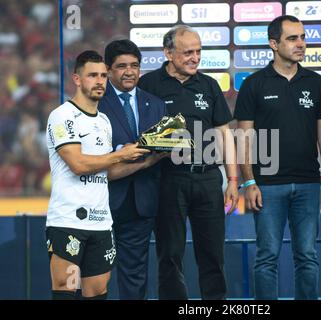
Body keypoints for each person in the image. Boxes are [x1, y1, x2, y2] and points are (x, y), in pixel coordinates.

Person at [234, 15, 321, 300]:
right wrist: (248, 182)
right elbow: (244, 139)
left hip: (308, 184)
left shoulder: (316, 83)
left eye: (303, 37)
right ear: (273, 44)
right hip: (266, 185)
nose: (301, 43)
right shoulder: (253, 84)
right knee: (267, 258)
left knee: (308, 256)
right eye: (293, 38)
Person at [138, 25, 239, 300]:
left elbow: (224, 135)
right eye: (188, 53)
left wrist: (232, 180)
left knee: (212, 253)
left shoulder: (209, 85)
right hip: (168, 179)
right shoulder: (148, 85)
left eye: (198, 52)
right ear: (168, 53)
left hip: (208, 179)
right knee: (169, 254)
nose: (195, 58)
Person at [45, 50, 152, 300]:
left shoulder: (103, 120)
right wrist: (120, 154)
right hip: (68, 221)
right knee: (67, 288)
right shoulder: (63, 115)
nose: (100, 81)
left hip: (101, 222)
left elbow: (108, 172)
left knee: (98, 291)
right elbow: (79, 164)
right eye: (93, 75)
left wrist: (147, 161)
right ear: (77, 79)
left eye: (103, 75)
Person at [98, 39, 167, 299]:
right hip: (100, 201)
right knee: (94, 274)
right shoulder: (95, 103)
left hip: (142, 202)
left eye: (135, 66)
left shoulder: (156, 104)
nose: (129, 71)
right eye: (122, 66)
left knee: (135, 274)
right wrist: (121, 152)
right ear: (108, 70)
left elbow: (163, 148)